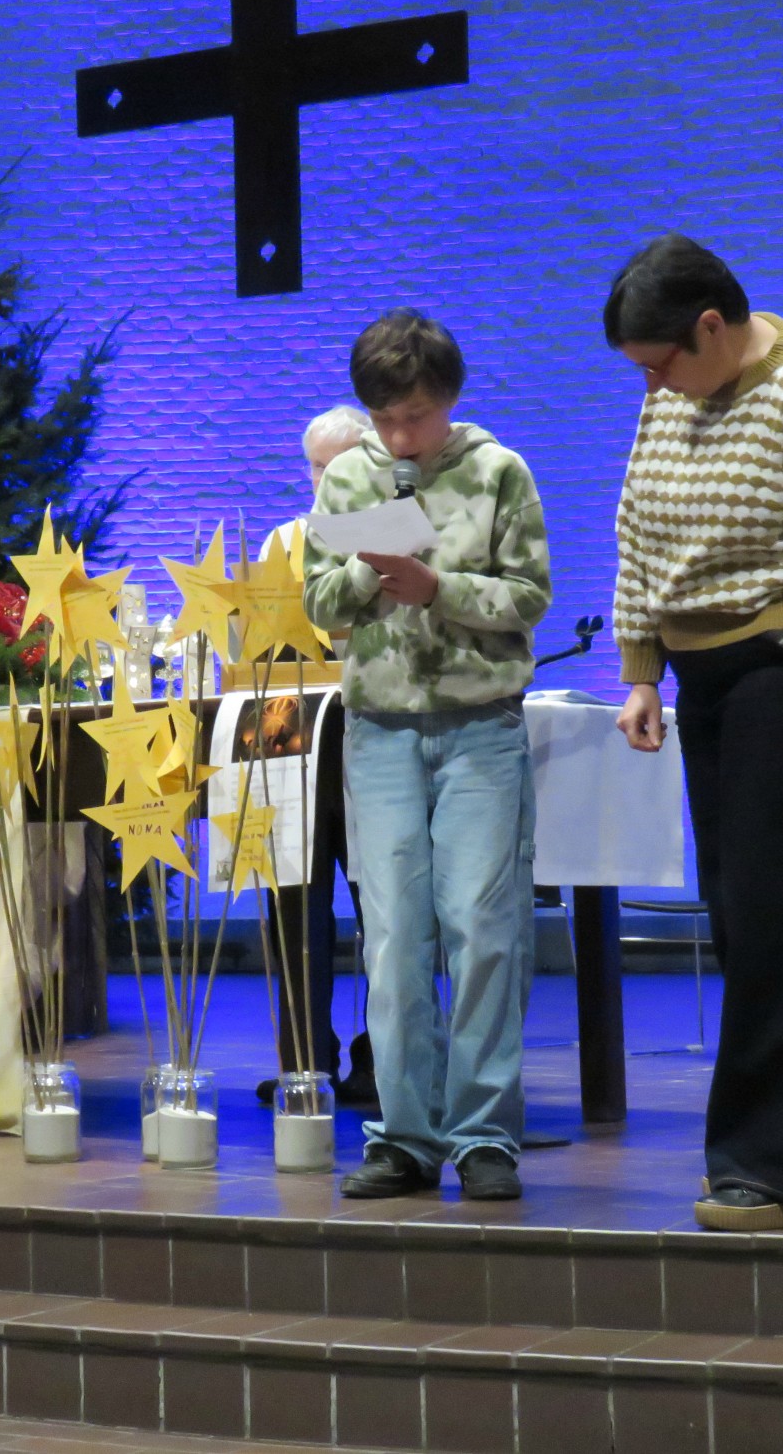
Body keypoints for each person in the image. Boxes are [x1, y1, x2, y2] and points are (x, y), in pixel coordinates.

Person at [607, 234, 783, 1231]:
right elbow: (637, 524)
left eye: (661, 362)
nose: (655, 387)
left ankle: (769, 1168)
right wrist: (640, 668)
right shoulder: (673, 393)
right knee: (740, 911)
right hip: (706, 679)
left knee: (775, 909)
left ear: (710, 325)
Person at [303, 310, 550, 1202]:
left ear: (448, 399)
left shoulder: (497, 473)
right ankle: (403, 1136)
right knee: (394, 938)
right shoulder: (351, 480)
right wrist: (372, 571)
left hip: (480, 726)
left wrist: (440, 586)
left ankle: (485, 1134)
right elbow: (322, 604)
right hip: (380, 731)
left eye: (414, 416)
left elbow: (529, 596)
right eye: (385, 419)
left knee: (483, 932)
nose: (399, 437)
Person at [255, 405, 377, 1109]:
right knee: (295, 911)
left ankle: (384, 1059)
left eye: (340, 465)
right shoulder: (285, 543)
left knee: (382, 910)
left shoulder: (395, 534)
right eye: (317, 468)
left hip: (369, 741)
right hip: (292, 741)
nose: (326, 479)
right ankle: (306, 1060)